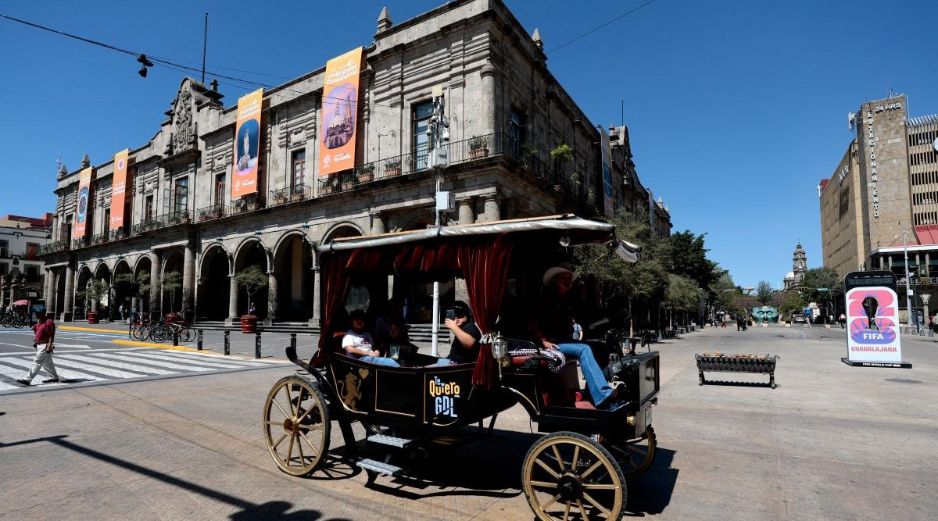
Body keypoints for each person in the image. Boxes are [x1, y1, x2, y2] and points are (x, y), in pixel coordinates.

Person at [531, 265, 622, 409]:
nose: (568, 281)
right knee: (583, 349)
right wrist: (543, 340)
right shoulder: (545, 299)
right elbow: (531, 321)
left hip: (564, 341)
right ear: (554, 281)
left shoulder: (566, 299)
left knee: (601, 348)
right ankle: (603, 394)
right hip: (552, 344)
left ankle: (592, 394)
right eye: (563, 278)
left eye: (569, 278)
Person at [17, 312, 59, 386]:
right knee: (47, 363)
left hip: (45, 345)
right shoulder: (40, 321)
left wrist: (49, 346)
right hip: (40, 345)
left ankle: (27, 379)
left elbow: (51, 335)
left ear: (43, 314)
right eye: (35, 315)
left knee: (37, 362)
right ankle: (54, 377)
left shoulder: (49, 322)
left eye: (37, 314)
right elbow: (38, 332)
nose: (36, 316)